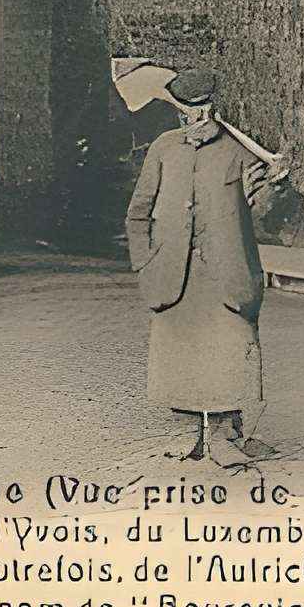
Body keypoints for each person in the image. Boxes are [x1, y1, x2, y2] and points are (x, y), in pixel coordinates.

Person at [125, 68, 288, 464]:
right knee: (180, 351)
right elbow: (138, 212)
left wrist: (275, 185)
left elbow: (263, 215)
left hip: (225, 271)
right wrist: (145, 261)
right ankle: (188, 437)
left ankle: (225, 436)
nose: (192, 121)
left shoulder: (239, 150)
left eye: (199, 112)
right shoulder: (163, 149)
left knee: (229, 350)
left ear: (212, 110)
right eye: (184, 114)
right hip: (172, 272)